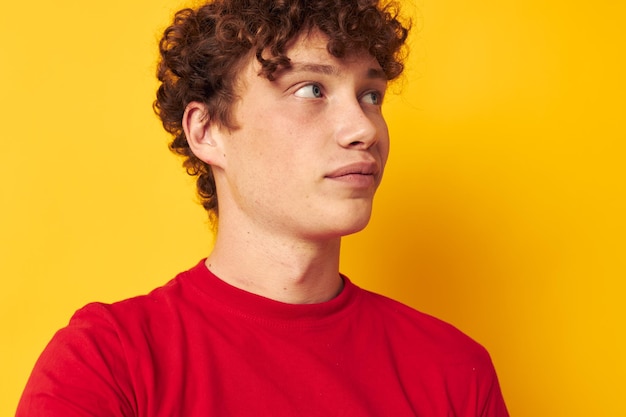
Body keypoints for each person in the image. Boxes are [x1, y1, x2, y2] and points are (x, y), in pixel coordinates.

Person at [16, 0, 509, 416]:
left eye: (371, 95)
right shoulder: (107, 363)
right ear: (206, 132)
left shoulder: (452, 370)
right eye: (312, 89)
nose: (363, 129)